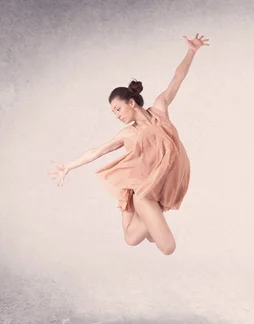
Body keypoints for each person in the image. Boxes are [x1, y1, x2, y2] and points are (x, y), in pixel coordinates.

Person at [48, 33, 210, 255]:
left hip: (159, 190)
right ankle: (144, 210)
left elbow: (177, 78)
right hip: (143, 192)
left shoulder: (160, 110)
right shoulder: (127, 134)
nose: (116, 114)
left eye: (117, 109)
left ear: (131, 102)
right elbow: (96, 151)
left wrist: (191, 51)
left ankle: (151, 219)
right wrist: (68, 166)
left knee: (135, 240)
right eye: (113, 112)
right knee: (151, 243)